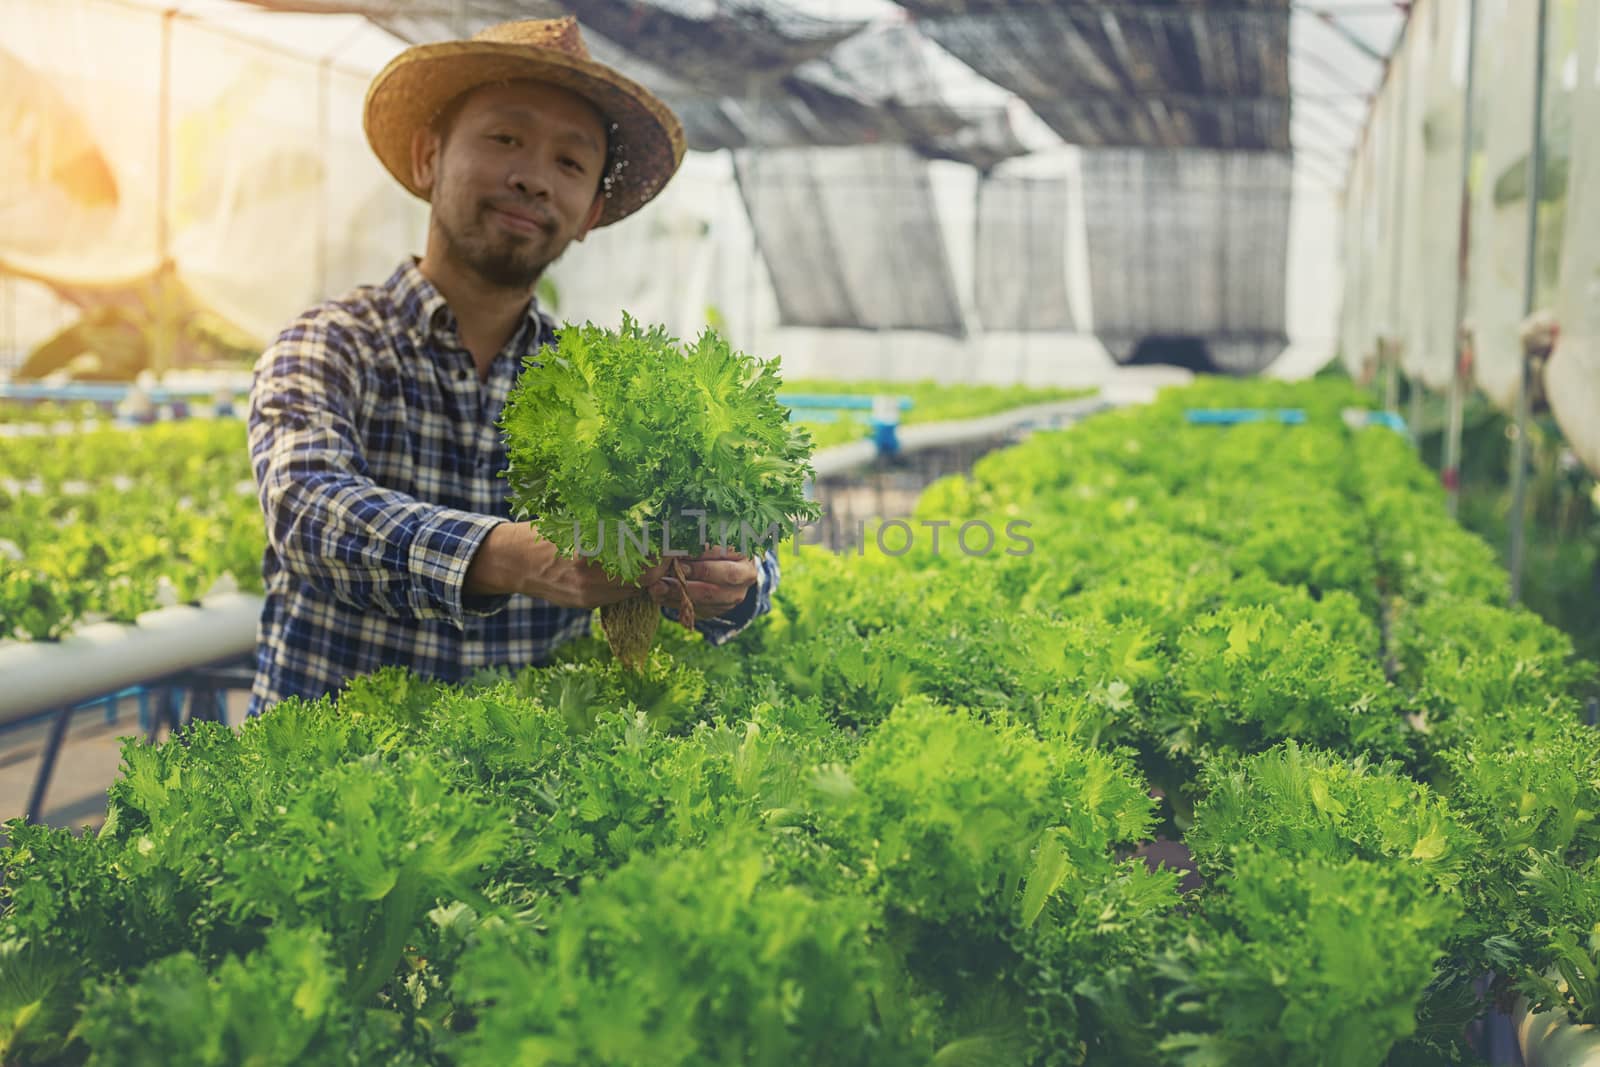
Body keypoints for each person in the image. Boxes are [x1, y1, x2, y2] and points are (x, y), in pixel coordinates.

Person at [246, 16, 777, 714]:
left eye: (570, 162)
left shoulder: (602, 384)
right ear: (427, 158)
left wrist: (734, 579)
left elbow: (737, 533)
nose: (532, 178)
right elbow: (307, 509)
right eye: (505, 139)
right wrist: (507, 556)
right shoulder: (331, 344)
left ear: (590, 212)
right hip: (320, 793)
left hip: (523, 798)